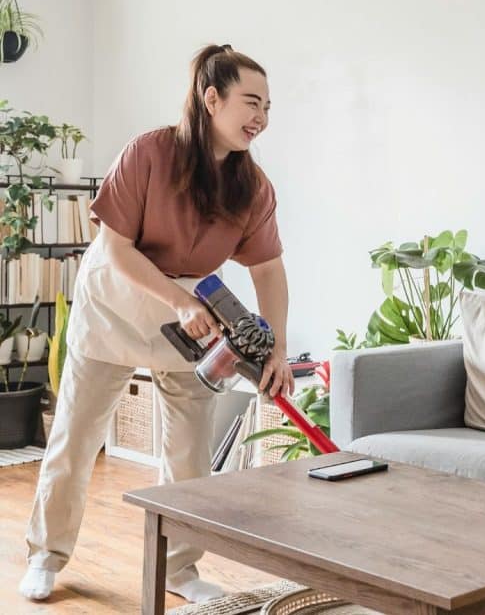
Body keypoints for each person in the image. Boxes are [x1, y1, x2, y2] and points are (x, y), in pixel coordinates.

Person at [20, 44, 294, 604]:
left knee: (189, 454)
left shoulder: (253, 186)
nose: (261, 116)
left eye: (268, 105)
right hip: (119, 300)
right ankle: (46, 556)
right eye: (250, 101)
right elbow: (116, 248)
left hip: (189, 320)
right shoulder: (148, 153)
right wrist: (178, 301)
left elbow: (268, 268)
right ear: (210, 98)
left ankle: (181, 570)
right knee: (75, 440)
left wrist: (279, 349)